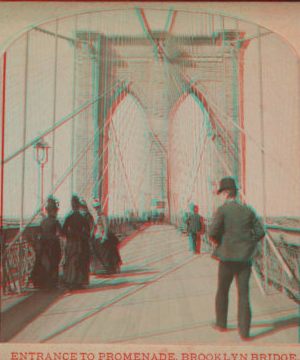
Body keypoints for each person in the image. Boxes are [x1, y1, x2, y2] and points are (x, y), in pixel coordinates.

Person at [209, 177, 265, 340]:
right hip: (245, 259)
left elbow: (212, 232)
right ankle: (245, 332)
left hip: (227, 258)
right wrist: (248, 241)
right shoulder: (248, 210)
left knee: (222, 291)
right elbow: (260, 231)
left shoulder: (223, 210)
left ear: (226, 193)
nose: (220, 196)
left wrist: (222, 242)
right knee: (244, 294)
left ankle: (221, 323)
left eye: (220, 193)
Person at [32, 196, 62, 289]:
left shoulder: (43, 220)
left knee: (45, 263)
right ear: (53, 210)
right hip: (53, 244)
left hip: (44, 244)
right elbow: (61, 231)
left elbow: (38, 231)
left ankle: (44, 282)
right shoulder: (55, 220)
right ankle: (52, 283)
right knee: (54, 262)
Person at [61, 194, 90, 290]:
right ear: (78, 205)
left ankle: (70, 281)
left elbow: (62, 231)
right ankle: (79, 282)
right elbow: (87, 229)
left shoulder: (68, 216)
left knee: (70, 261)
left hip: (70, 242)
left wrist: (70, 233)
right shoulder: (82, 216)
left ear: (71, 205)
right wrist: (82, 234)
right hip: (80, 241)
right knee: (79, 260)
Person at [91, 199, 122, 275]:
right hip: (97, 236)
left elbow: (106, 227)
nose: (96, 209)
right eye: (95, 208)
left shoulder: (102, 215)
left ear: (99, 207)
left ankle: (107, 269)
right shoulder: (95, 216)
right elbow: (93, 228)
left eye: (97, 207)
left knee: (107, 252)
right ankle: (98, 269)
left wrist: (104, 236)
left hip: (104, 237)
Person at [79, 197, 94, 285]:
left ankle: (82, 279)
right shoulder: (89, 216)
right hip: (85, 240)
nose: (82, 208)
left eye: (82, 207)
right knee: (84, 260)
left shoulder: (82, 216)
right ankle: (84, 279)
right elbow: (91, 228)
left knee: (82, 260)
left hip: (82, 241)